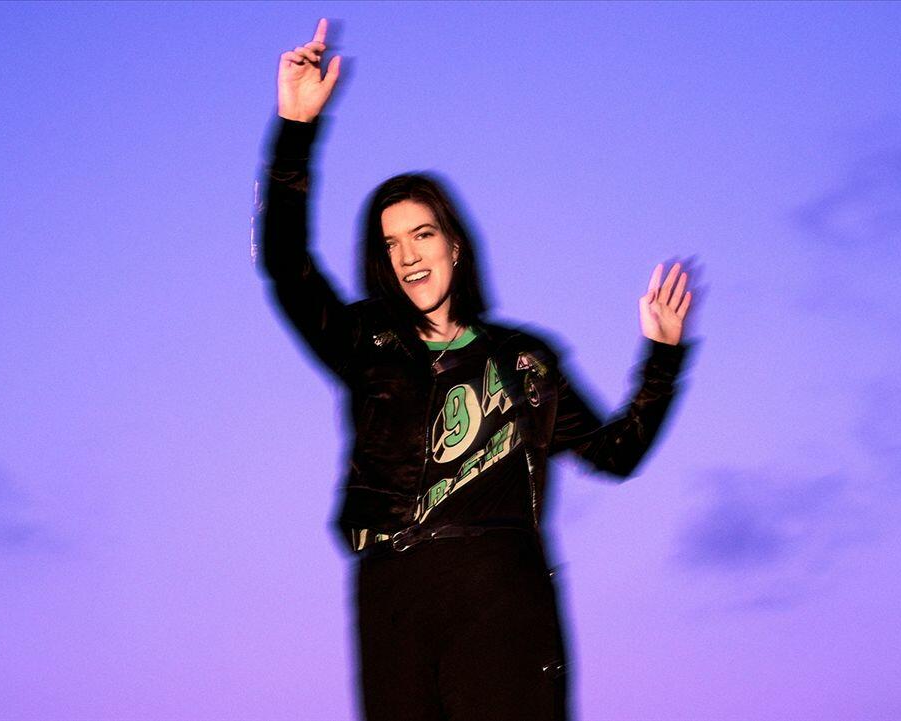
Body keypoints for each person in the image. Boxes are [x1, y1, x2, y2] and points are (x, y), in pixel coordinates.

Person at [259, 18, 696, 721]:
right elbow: (287, 267)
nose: (409, 255)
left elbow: (616, 453)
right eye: (391, 244)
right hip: (393, 592)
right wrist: (295, 129)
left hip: (500, 591)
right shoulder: (367, 343)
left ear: (455, 245)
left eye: (422, 234)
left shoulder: (525, 360)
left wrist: (662, 359)